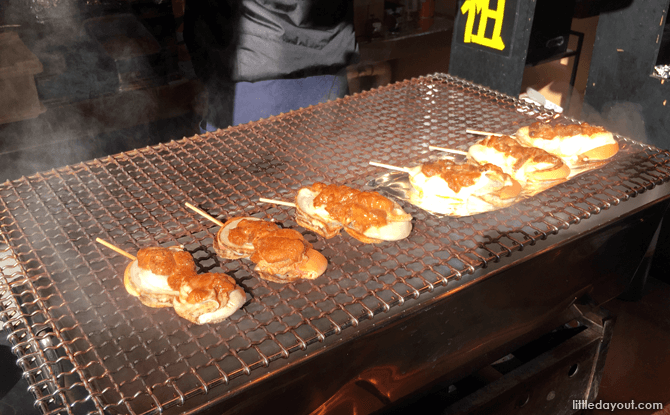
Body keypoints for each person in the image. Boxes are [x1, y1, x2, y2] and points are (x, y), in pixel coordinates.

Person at [183, 0, 358, 131]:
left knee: (243, 172)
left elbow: (200, 22)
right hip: (331, 70)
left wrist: (209, 79)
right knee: (328, 165)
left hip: (250, 81)